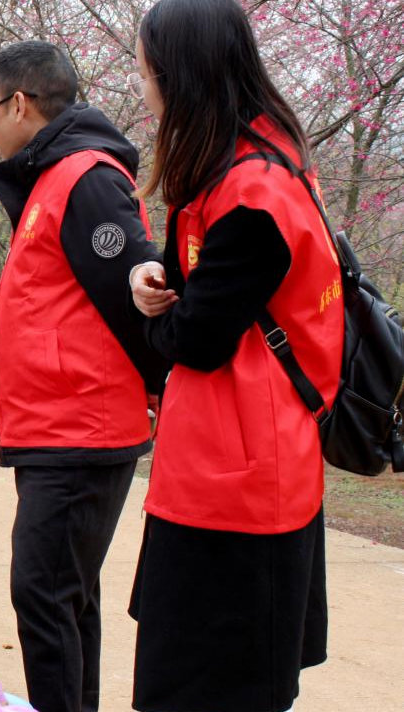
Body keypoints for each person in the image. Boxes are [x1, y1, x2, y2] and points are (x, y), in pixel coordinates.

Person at [126, 2, 343, 710]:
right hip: (220, 461)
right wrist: (158, 290)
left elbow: (198, 338)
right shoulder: (241, 164)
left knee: (209, 685)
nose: (143, 85)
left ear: (180, 74)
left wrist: (161, 318)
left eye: (147, 70)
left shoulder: (253, 192)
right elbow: (190, 296)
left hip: (241, 483)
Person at [0, 41, 170, 712]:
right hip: (57, 426)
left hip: (81, 428)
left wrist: (160, 389)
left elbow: (134, 289)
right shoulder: (52, 177)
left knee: (43, 592)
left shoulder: (84, 175)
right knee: (65, 594)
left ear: (20, 104)